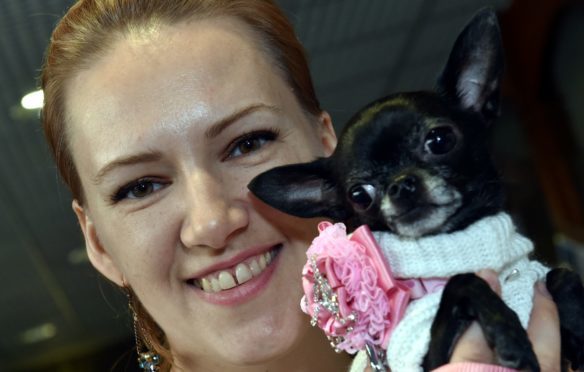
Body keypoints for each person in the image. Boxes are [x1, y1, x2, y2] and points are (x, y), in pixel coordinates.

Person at [40, 1, 562, 371]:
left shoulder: (538, 321)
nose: (212, 222)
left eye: (247, 143)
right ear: (99, 243)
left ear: (327, 149)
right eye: (140, 186)